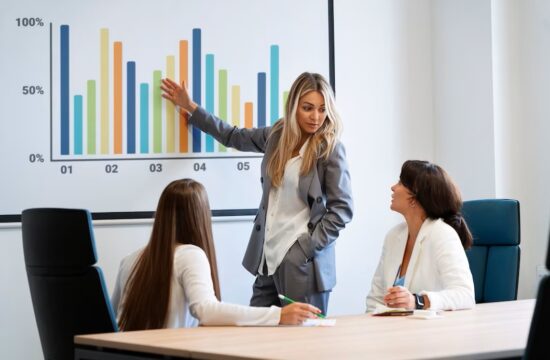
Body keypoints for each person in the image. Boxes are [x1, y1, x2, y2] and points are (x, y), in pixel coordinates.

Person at [161, 72, 353, 315]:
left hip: (302, 263)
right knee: (256, 335)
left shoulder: (330, 149)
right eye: (308, 108)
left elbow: (342, 210)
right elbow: (233, 136)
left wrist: (303, 249)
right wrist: (190, 107)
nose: (316, 117)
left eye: (322, 109)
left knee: (303, 346)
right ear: (294, 106)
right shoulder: (277, 135)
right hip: (267, 257)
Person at [111, 179, 321, 330]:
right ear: (200, 216)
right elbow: (206, 310)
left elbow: (113, 319)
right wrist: (279, 315)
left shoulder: (130, 260)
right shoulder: (189, 254)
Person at [366, 160, 475, 312]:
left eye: (400, 183)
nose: (393, 187)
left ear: (414, 196)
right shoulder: (393, 236)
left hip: (431, 332)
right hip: (394, 332)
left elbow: (465, 295)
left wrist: (418, 301)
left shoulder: (442, 234)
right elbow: (375, 298)